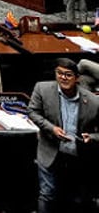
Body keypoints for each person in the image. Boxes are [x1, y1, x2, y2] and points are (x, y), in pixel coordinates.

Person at [28, 58, 99, 213]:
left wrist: (92, 137)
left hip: (77, 154)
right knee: (47, 194)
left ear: (77, 78)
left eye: (68, 75)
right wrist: (51, 128)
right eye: (59, 73)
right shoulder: (43, 89)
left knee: (75, 198)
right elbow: (32, 112)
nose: (63, 78)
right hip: (50, 150)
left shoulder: (94, 101)